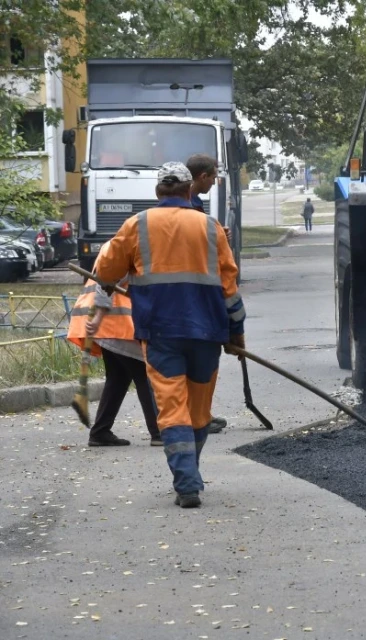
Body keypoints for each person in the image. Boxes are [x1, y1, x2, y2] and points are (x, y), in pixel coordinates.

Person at [97, 162, 246, 509]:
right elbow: (229, 288)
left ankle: (186, 482)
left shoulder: (137, 226)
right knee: (198, 409)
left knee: (172, 408)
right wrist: (237, 332)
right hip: (208, 333)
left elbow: (105, 271)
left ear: (157, 192)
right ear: (188, 189)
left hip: (161, 332)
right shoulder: (211, 228)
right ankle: (190, 475)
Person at [67, 240, 162, 448]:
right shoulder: (127, 246)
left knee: (118, 378)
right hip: (115, 324)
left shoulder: (117, 245)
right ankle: (159, 432)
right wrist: (100, 316)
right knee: (144, 374)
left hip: (109, 324)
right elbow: (105, 282)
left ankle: (100, 432)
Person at [185, 153, 230, 435]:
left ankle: (197, 415)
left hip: (192, 289)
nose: (214, 182)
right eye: (213, 177)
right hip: (193, 291)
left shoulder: (196, 204)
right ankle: (194, 418)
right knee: (199, 361)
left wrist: (216, 234)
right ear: (202, 176)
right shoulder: (186, 204)